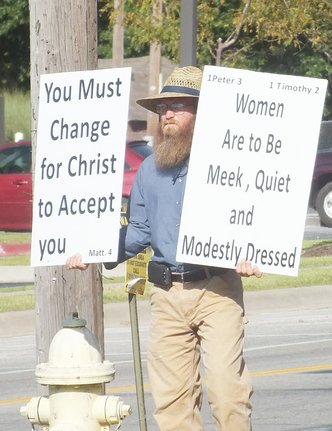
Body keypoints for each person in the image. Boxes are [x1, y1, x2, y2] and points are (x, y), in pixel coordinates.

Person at [68, 66, 262, 430]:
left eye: (178, 105)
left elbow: (252, 219)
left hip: (216, 289)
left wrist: (254, 251)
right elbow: (139, 232)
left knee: (228, 393)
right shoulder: (148, 170)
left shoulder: (230, 166)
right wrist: (93, 249)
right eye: (162, 107)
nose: (167, 114)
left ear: (203, 112)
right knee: (172, 404)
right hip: (165, 294)